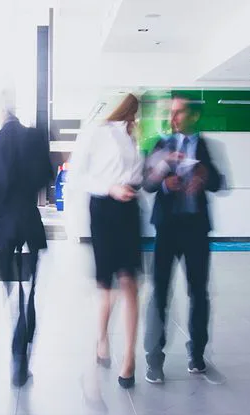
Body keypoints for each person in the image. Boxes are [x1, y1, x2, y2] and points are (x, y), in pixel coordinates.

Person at [142, 96, 223, 385]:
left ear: (192, 116)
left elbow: (220, 183)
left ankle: (197, 355)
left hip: (196, 230)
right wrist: (164, 182)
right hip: (166, 229)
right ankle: (154, 359)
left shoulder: (205, 146)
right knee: (159, 293)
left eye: (178, 112)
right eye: (171, 113)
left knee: (198, 293)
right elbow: (147, 184)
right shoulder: (160, 145)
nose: (173, 117)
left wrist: (204, 176)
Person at [0, 93, 53, 387]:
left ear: (0, 110)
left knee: (11, 289)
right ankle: (22, 354)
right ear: (16, 110)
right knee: (31, 288)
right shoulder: (34, 137)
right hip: (29, 221)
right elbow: (45, 175)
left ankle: (15, 339)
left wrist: (1, 216)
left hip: (5, 225)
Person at [69, 93, 143, 389]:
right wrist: (110, 188)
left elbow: (135, 174)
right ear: (131, 109)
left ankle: (129, 359)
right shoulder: (97, 132)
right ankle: (101, 339)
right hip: (104, 208)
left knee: (130, 283)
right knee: (106, 285)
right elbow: (77, 176)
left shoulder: (133, 138)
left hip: (129, 210)